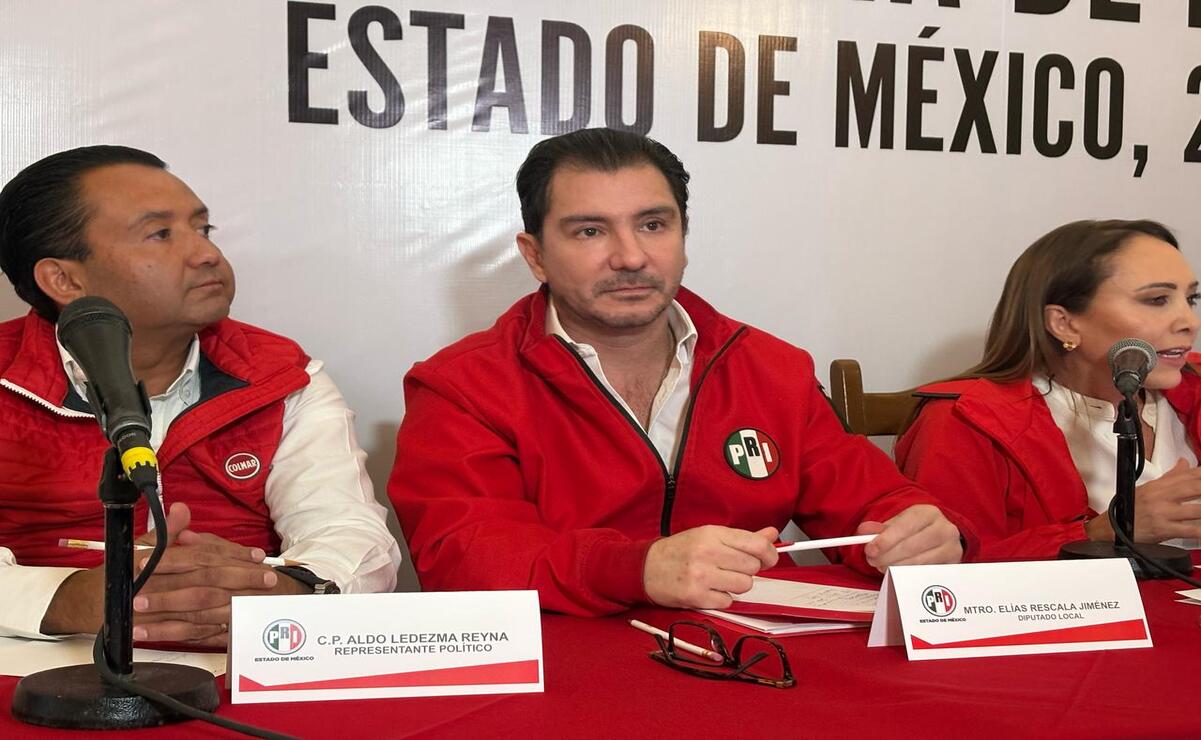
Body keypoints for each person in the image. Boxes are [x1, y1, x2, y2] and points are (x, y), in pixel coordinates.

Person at [388, 128, 968, 617]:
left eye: (653, 225)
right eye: (590, 231)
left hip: (753, 666)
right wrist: (637, 568)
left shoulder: (771, 369)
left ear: (683, 235)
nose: (631, 256)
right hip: (568, 679)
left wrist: (917, 533)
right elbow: (464, 556)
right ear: (535, 254)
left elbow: (873, 497)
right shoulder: (462, 386)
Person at [0, 146, 401, 645]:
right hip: (33, 674)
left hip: (239, 666)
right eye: (160, 234)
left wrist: (279, 591)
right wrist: (70, 598)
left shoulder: (279, 375)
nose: (207, 254)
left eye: (203, 229)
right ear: (64, 279)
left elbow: (352, 538)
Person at [896, 219, 1201, 561]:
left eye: (1191, 298)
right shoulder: (964, 421)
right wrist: (1102, 532)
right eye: (1157, 300)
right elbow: (947, 570)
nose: (1189, 322)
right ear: (1064, 323)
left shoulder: (1192, 391)